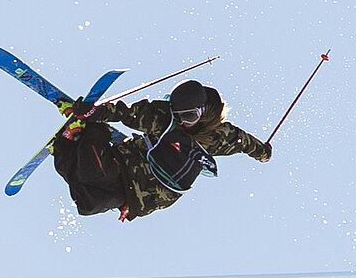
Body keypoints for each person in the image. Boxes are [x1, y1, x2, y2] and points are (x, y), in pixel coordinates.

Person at [58, 79, 272, 221]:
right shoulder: (164, 118)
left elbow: (244, 142)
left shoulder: (219, 136)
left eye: (188, 116)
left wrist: (263, 152)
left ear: (205, 115)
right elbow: (128, 114)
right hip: (129, 166)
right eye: (178, 113)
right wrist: (94, 113)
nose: (182, 121)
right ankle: (88, 133)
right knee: (91, 172)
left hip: (143, 195)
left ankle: (65, 145)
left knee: (87, 204)